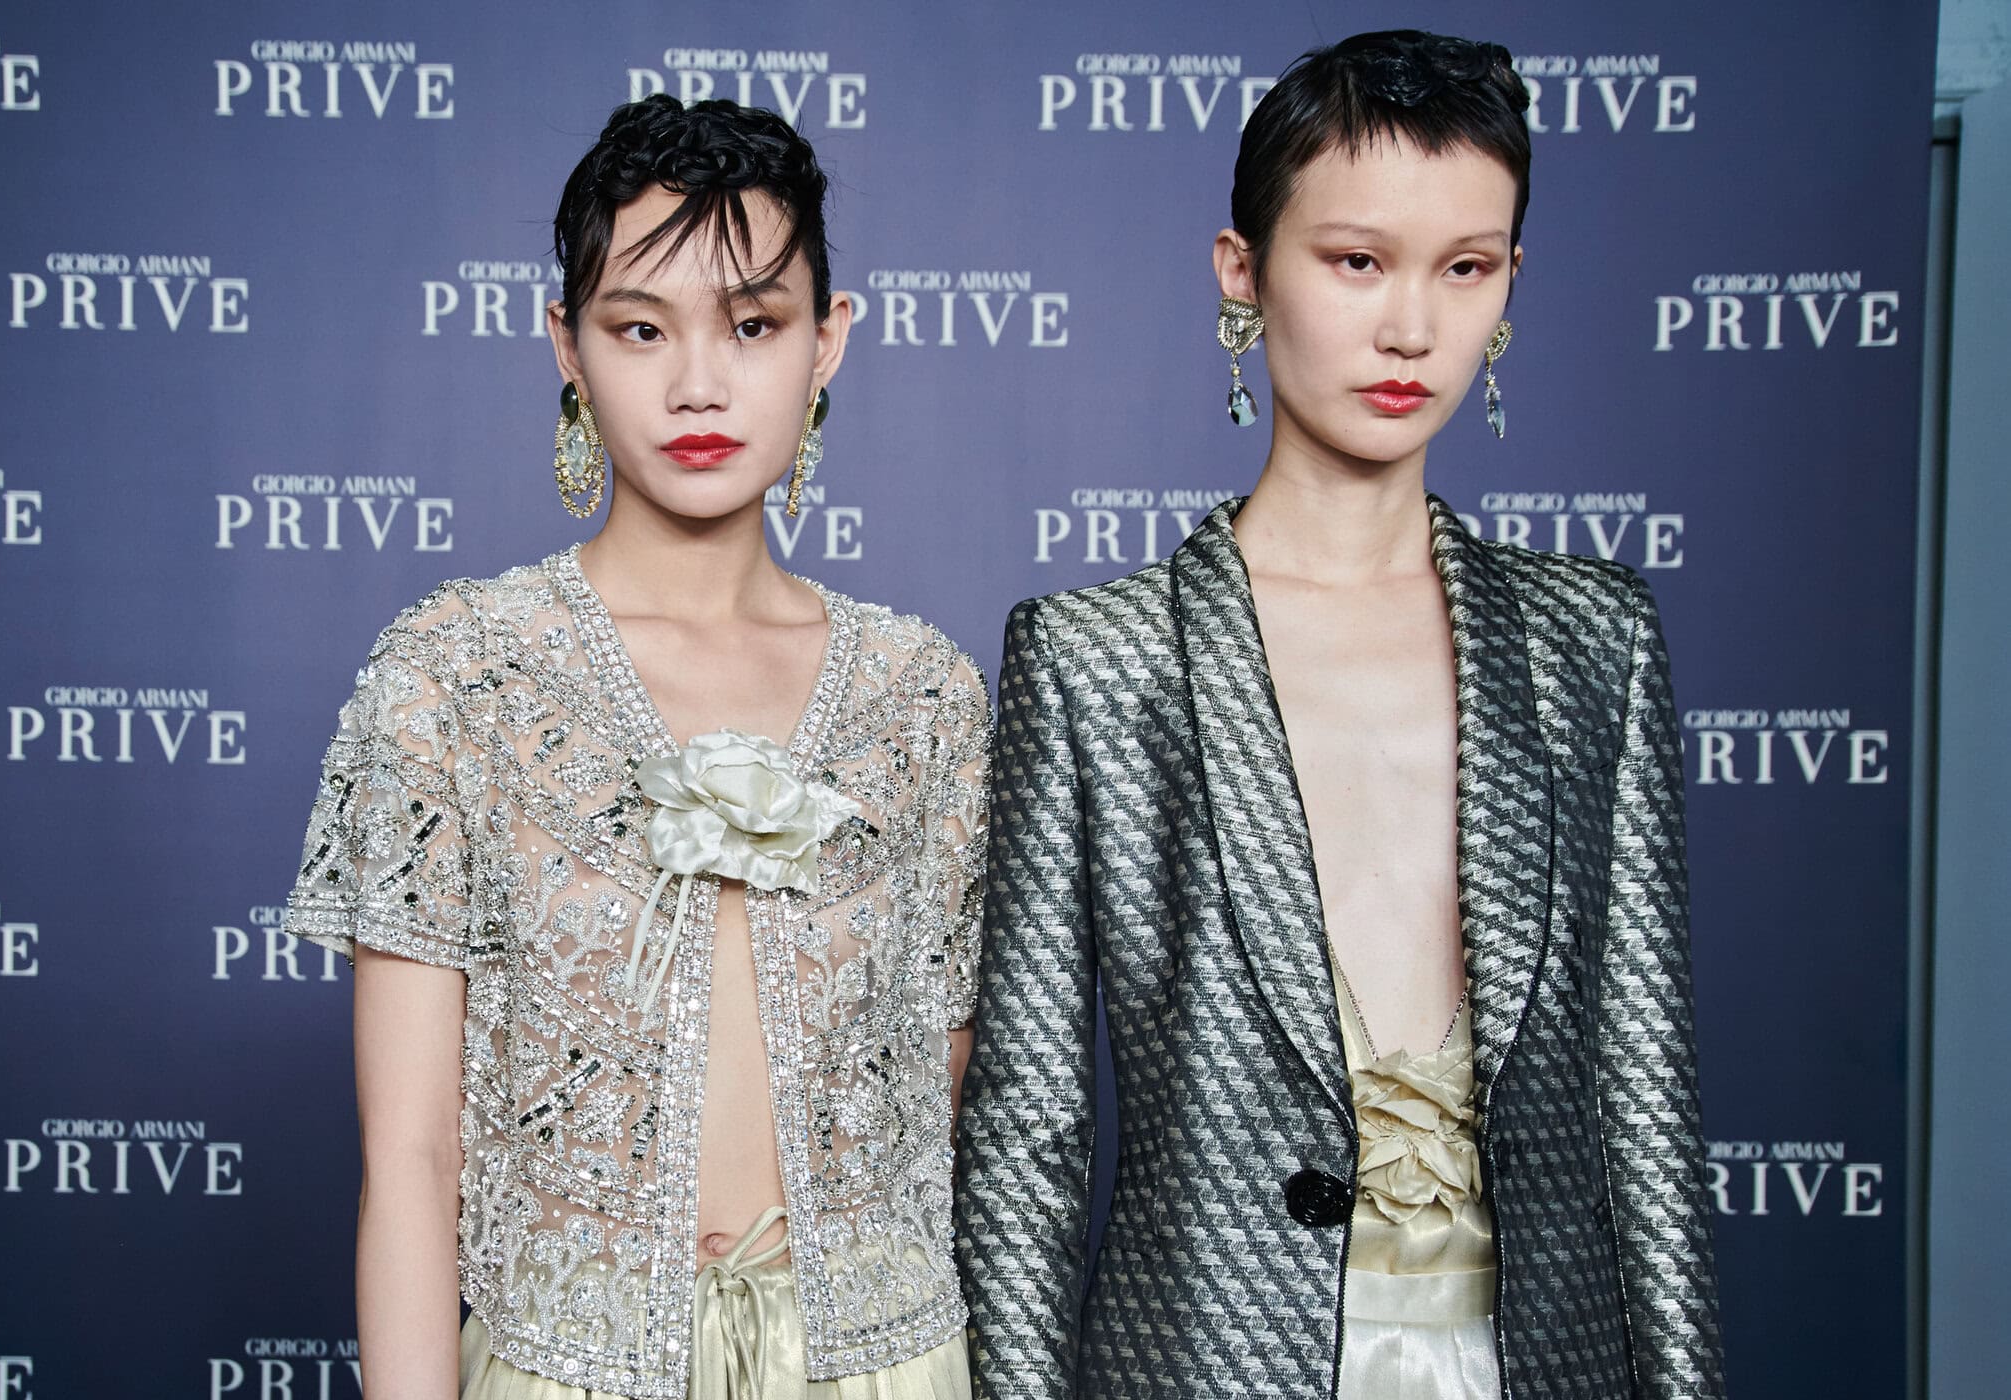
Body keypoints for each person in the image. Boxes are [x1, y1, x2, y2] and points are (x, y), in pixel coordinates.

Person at [956, 30, 1723, 1400]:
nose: (1412, 328)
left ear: (1511, 280)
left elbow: (1647, 1106)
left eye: (1465, 268)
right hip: (1199, 1366)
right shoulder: (1095, 662)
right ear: (1243, 271)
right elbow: (1028, 1137)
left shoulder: (1591, 643)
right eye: (1358, 261)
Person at [285, 94, 983, 1400]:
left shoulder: (924, 696)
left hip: (889, 1368)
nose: (698, 383)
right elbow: (411, 1161)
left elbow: (941, 1119)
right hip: (564, 1371)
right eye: (641, 327)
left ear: (828, 341)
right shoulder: (455, 676)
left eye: (754, 325)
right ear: (567, 342)